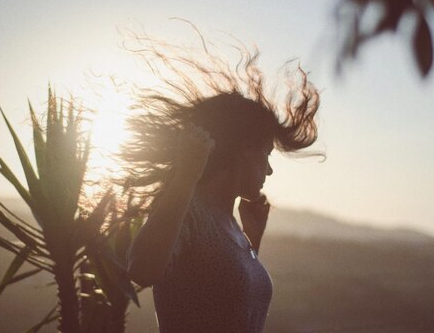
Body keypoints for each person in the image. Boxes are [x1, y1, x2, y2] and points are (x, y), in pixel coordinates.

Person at [124, 37, 320, 333]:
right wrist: (185, 176)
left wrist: (252, 242)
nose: (269, 169)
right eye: (266, 154)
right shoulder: (190, 210)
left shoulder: (227, 222)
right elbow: (143, 268)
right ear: (243, 149)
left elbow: (221, 299)